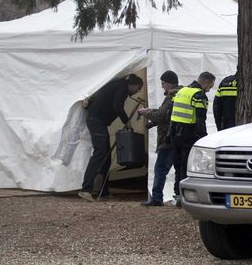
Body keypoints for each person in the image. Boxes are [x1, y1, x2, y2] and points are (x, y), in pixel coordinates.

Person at [79, 74, 144, 201]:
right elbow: (117, 105)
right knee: (99, 153)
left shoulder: (116, 85)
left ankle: (103, 192)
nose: (137, 92)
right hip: (96, 121)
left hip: (98, 121)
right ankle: (85, 189)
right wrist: (127, 121)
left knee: (107, 157)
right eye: (138, 88)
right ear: (134, 85)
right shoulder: (122, 88)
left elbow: (103, 97)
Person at [169, 71, 215, 206]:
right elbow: (201, 119)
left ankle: (177, 195)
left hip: (174, 133)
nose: (209, 89)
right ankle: (185, 197)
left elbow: (170, 113)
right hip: (188, 135)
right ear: (206, 82)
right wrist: (203, 138)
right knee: (186, 166)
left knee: (177, 166)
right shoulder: (199, 95)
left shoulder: (182, 91)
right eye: (210, 86)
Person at [137, 70, 181, 207]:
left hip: (167, 139)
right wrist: (152, 123)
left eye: (163, 83)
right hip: (178, 138)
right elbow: (169, 115)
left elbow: (162, 115)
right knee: (179, 169)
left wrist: (146, 112)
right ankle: (179, 197)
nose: (162, 86)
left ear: (168, 83)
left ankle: (156, 198)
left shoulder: (172, 95)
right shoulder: (181, 95)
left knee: (160, 169)